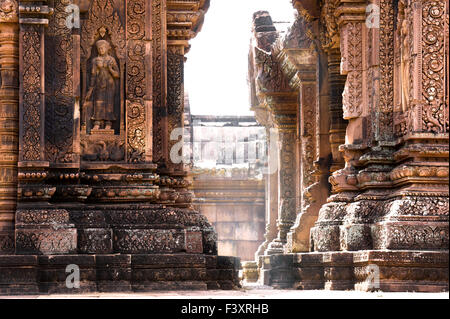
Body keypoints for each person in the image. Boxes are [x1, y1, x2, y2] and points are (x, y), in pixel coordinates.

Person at [84, 40, 119, 130]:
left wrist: (110, 68)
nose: (101, 50)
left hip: (110, 84)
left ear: (107, 49)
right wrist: (90, 89)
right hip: (99, 83)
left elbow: (117, 75)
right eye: (99, 48)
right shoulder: (95, 60)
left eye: (102, 48)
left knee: (109, 103)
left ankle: (108, 123)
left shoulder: (111, 60)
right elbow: (93, 75)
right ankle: (97, 122)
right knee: (98, 102)